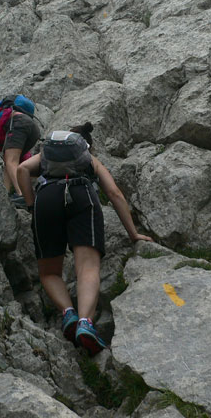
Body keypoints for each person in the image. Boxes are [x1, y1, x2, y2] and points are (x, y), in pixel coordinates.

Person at [16, 122, 152, 356]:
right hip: (81, 196)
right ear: (84, 145)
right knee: (87, 267)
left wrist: (31, 205)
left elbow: (22, 170)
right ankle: (85, 324)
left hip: (46, 200)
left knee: (49, 272)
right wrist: (133, 233)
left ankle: (68, 313)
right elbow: (114, 193)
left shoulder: (46, 155)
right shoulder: (89, 159)